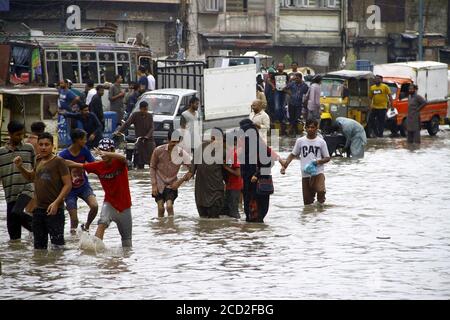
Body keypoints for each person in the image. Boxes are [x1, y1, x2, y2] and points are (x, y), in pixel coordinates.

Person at [66, 138, 133, 247]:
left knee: (127, 242)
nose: (102, 155)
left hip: (125, 206)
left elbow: (123, 158)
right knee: (102, 223)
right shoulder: (98, 166)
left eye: (105, 151)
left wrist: (107, 153)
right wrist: (56, 160)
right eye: (101, 151)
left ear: (112, 150)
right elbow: (75, 164)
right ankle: (96, 253)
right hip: (109, 203)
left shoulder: (119, 163)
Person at [14, 132, 72, 250]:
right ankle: (41, 268)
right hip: (38, 210)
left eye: (47, 144)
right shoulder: (38, 159)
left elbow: (68, 184)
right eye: (41, 144)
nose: (43, 147)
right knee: (39, 249)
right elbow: (31, 177)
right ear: (38, 146)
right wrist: (20, 166)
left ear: (52, 146)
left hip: (55, 211)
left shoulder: (59, 161)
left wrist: (56, 203)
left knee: (58, 248)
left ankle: (56, 268)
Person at [280, 119, 331, 206]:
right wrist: (285, 166)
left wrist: (318, 161)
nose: (310, 129)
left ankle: (320, 208)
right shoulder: (300, 141)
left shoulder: (321, 142)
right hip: (305, 174)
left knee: (321, 191)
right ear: (305, 128)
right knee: (307, 204)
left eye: (312, 127)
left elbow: (327, 158)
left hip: (318, 172)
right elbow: (293, 154)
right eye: (308, 127)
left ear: (316, 128)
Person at [239, 119, 280, 223]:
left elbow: (269, 162)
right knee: (249, 212)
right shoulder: (244, 147)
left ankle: (256, 234)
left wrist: (257, 174)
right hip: (248, 183)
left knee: (257, 213)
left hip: (258, 182)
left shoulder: (259, 145)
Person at [0, 121, 34, 241]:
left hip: (27, 189)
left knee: (16, 212)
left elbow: (36, 168)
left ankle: (39, 227)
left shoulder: (29, 148)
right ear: (10, 134)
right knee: (13, 234)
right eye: (17, 135)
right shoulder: (1, 152)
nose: (20, 137)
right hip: (10, 192)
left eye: (22, 135)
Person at [59, 129, 98, 232]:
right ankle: (73, 239)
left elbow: (93, 165)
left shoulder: (85, 151)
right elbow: (57, 173)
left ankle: (87, 226)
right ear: (77, 140)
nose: (86, 141)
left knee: (94, 206)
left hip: (84, 186)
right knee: (74, 220)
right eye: (84, 139)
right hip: (70, 190)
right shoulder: (63, 155)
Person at [150, 131, 191, 218]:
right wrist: (154, 185)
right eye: (173, 141)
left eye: (177, 142)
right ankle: (160, 227)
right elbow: (152, 167)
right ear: (168, 140)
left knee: (169, 206)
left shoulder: (182, 154)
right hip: (159, 184)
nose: (175, 144)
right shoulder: (158, 151)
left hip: (172, 184)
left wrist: (180, 181)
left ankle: (171, 227)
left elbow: (192, 169)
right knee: (161, 208)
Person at [190, 128, 226, 219]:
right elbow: (192, 170)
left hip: (216, 191)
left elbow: (229, 173)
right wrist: (180, 181)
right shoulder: (200, 148)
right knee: (203, 222)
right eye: (215, 139)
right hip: (201, 192)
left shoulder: (224, 153)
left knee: (214, 220)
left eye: (220, 140)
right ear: (211, 138)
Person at [115, 101, 155, 169]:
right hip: (139, 140)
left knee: (151, 161)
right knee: (139, 160)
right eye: (144, 109)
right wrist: (119, 131)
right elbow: (127, 123)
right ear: (140, 108)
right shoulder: (135, 115)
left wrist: (147, 136)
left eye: (146, 109)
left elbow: (152, 128)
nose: (145, 111)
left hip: (149, 141)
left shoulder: (149, 116)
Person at [222, 134, 243, 219]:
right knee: (228, 211)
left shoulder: (233, 153)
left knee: (234, 212)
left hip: (235, 186)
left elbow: (238, 173)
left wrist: (225, 167)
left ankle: (237, 229)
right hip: (230, 186)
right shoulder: (229, 153)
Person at [273, 63, 289, 130]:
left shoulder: (285, 74)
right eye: (279, 66)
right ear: (277, 67)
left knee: (283, 107)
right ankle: (277, 119)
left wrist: (286, 86)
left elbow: (288, 81)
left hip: (284, 91)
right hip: (277, 91)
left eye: (281, 66)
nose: (280, 67)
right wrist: (273, 86)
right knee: (277, 107)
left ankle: (283, 120)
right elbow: (269, 80)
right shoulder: (275, 74)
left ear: (283, 67)